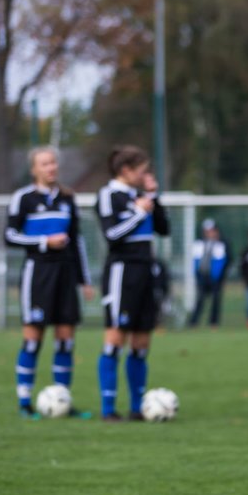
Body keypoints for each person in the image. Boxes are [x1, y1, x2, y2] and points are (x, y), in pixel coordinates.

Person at [4, 146, 94, 419]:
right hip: (38, 273)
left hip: (66, 275)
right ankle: (24, 403)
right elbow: (10, 236)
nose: (51, 168)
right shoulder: (23, 198)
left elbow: (77, 241)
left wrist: (84, 280)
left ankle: (62, 401)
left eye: (53, 162)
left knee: (66, 340)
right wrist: (44, 242)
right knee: (33, 339)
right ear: (34, 169)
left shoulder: (68, 198)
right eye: (44, 164)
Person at [96, 146, 170, 422]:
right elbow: (112, 235)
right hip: (121, 273)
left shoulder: (141, 195)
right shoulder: (108, 195)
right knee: (115, 339)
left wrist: (153, 196)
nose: (146, 175)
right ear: (126, 171)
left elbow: (163, 228)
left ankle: (138, 408)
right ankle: (108, 409)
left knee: (141, 342)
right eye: (142, 171)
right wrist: (138, 214)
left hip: (146, 272)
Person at [188, 218, 230, 327]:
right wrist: (197, 274)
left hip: (216, 278)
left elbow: (225, 261)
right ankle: (194, 322)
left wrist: (218, 275)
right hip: (202, 276)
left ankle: (213, 322)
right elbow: (195, 261)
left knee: (216, 299)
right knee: (200, 299)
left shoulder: (222, 244)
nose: (209, 233)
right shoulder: (199, 243)